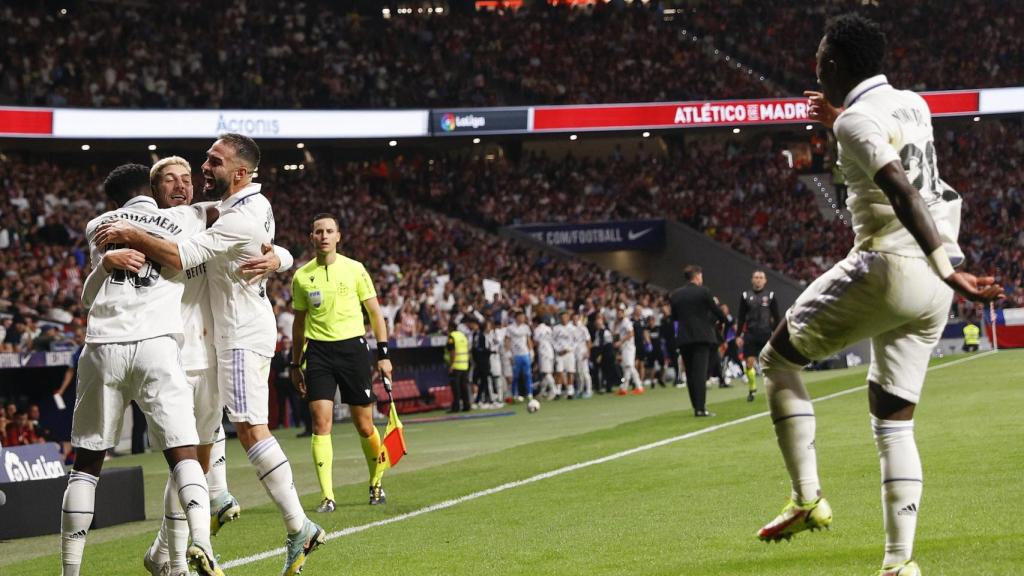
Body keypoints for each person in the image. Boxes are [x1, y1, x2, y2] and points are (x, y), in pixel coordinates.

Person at [757, 15, 1003, 576]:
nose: (815, 66)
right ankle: (898, 564)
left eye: (821, 58)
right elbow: (880, 140)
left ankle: (807, 499)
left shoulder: (854, 123)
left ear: (835, 64)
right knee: (893, 422)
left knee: (774, 361)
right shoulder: (912, 102)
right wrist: (946, 270)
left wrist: (951, 270)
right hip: (930, 289)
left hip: (890, 267)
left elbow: (900, 187)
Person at [97, 135, 326, 575]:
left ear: (239, 172)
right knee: (193, 456)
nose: (191, 178)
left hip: (231, 337)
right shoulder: (218, 212)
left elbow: (194, 253)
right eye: (171, 178)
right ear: (153, 190)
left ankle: (274, 525)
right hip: (179, 350)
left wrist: (279, 256)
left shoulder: (216, 216)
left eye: (203, 166)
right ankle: (176, 548)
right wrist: (279, 254)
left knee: (233, 435)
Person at [64, 164, 223, 576]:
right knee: (184, 455)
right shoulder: (183, 217)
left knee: (87, 463)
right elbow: (220, 210)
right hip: (158, 344)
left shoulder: (100, 222)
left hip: (102, 346)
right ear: (151, 191)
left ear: (114, 200)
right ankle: (202, 545)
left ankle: (70, 571)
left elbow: (86, 297)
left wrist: (107, 260)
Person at [289, 213, 394, 511]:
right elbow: (299, 325)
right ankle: (328, 496)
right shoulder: (301, 276)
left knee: (364, 425)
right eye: (318, 231)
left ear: (338, 236)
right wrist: (295, 364)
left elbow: (375, 313)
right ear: (311, 237)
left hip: (353, 350)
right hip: (319, 353)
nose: (324, 236)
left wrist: (383, 354)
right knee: (321, 423)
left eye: (329, 231)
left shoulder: (355, 269)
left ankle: (376, 484)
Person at [669, 265, 728, 417]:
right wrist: (721, 320)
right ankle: (701, 408)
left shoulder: (675, 295)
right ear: (697, 276)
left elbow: (674, 317)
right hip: (702, 337)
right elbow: (717, 311)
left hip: (684, 338)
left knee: (689, 373)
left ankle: (696, 405)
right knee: (700, 373)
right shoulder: (703, 291)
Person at [737, 270, 782, 402]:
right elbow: (741, 317)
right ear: (752, 280)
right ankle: (752, 389)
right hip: (750, 334)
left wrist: (776, 332)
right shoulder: (745, 295)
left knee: (771, 364)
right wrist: (738, 335)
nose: (758, 280)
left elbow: (776, 317)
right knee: (749, 363)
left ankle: (774, 390)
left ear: (765, 280)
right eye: (756, 277)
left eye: (761, 277)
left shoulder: (771, 295)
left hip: (766, 334)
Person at [614, 307, 643, 395]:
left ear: (623, 313)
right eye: (618, 312)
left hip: (629, 347)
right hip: (624, 348)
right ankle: (627, 388)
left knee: (629, 366)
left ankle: (636, 387)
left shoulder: (626, 322)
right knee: (628, 367)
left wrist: (620, 342)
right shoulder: (620, 323)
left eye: (621, 312)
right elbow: (615, 334)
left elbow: (631, 333)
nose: (619, 314)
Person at [505, 311, 534, 402]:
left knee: (527, 375)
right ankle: (515, 394)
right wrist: (508, 352)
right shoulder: (510, 328)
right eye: (521, 317)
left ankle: (529, 393)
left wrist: (531, 351)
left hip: (525, 354)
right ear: (516, 317)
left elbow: (528, 339)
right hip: (515, 354)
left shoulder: (526, 327)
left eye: (523, 317)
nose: (523, 318)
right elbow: (507, 340)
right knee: (515, 376)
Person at [446, 320, 471, 412]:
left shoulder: (452, 337)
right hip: (464, 364)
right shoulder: (462, 336)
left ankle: (456, 407)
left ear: (450, 327)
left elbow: (452, 352)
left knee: (456, 388)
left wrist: (451, 365)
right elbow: (467, 349)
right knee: (464, 386)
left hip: (456, 365)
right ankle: (466, 405)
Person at [552, 310, 577, 400]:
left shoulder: (573, 328)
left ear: (568, 317)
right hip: (560, 353)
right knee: (559, 372)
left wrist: (569, 349)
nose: (564, 319)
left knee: (570, 372)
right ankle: (557, 392)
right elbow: (553, 340)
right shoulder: (556, 328)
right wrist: (558, 350)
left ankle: (570, 392)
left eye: (565, 317)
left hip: (569, 353)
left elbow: (576, 341)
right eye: (562, 317)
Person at [470, 318, 493, 406]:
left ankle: (480, 399)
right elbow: (479, 349)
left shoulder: (478, 334)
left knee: (482, 380)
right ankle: (484, 399)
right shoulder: (481, 335)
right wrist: (490, 351)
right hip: (482, 361)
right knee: (482, 380)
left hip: (480, 361)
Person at [533, 315, 556, 399]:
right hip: (551, 352)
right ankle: (542, 392)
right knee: (545, 373)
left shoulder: (537, 330)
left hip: (543, 353)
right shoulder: (549, 328)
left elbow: (536, 343)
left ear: (535, 322)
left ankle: (554, 391)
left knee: (546, 373)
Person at [572, 311, 593, 398]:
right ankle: (580, 390)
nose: (575, 320)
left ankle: (589, 390)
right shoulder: (571, 328)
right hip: (575, 353)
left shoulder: (583, 328)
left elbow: (588, 341)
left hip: (583, 352)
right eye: (573, 319)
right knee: (578, 373)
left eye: (576, 318)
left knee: (585, 372)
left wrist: (588, 352)